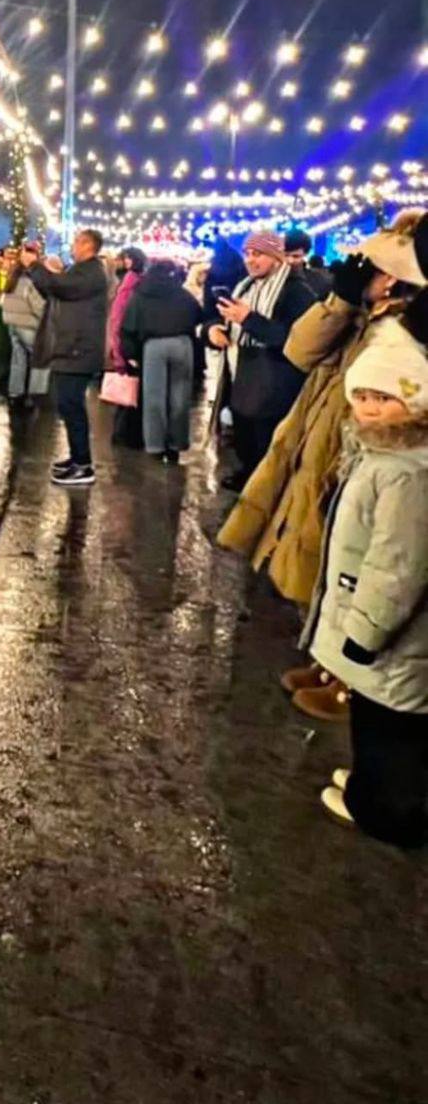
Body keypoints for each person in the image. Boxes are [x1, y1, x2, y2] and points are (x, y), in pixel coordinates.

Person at [219, 210, 428, 718]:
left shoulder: (405, 328)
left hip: (361, 447)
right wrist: (340, 301)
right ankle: (329, 659)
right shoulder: (359, 316)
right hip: (321, 434)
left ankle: (350, 679)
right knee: (326, 552)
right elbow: (300, 347)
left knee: (355, 558)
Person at [301, 327, 428, 847]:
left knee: (389, 723)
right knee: (374, 716)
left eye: (386, 398)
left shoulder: (407, 474)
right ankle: (372, 786)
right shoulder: (384, 455)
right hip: (379, 632)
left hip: (394, 639)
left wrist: (366, 629)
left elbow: (397, 566)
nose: (371, 409)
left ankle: (385, 811)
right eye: (364, 397)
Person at [204, 230, 315, 490]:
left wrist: (248, 320)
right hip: (242, 374)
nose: (251, 260)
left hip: (277, 379)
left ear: (277, 258)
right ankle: (249, 478)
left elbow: (296, 340)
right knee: (245, 435)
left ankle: (266, 491)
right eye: (248, 254)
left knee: (268, 439)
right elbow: (220, 320)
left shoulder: (297, 291)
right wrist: (214, 331)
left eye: (259, 255)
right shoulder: (245, 287)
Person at [21, 228, 109, 486]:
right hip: (72, 348)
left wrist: (35, 266)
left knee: (72, 406)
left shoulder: (90, 272)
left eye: (76, 242)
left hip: (77, 350)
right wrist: (44, 270)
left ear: (87, 245)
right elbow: (56, 287)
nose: (72, 246)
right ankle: (77, 458)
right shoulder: (84, 271)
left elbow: (59, 286)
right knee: (68, 406)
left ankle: (83, 465)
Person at [120, 259, 202, 463]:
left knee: (153, 398)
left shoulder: (140, 294)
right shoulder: (181, 293)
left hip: (153, 346)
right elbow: (198, 315)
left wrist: (130, 353)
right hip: (182, 344)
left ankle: (156, 446)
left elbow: (128, 325)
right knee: (180, 397)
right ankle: (176, 445)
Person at [1, 242, 50, 410]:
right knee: (40, 359)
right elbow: (37, 305)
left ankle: (15, 393)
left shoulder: (13, 277)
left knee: (18, 359)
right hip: (28, 325)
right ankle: (35, 395)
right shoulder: (32, 279)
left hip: (12, 324)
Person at [106, 246, 146, 447]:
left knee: (127, 391)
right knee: (131, 392)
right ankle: (125, 435)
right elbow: (119, 317)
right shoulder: (133, 283)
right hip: (128, 342)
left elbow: (116, 317)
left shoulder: (127, 282)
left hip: (122, 341)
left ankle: (121, 434)